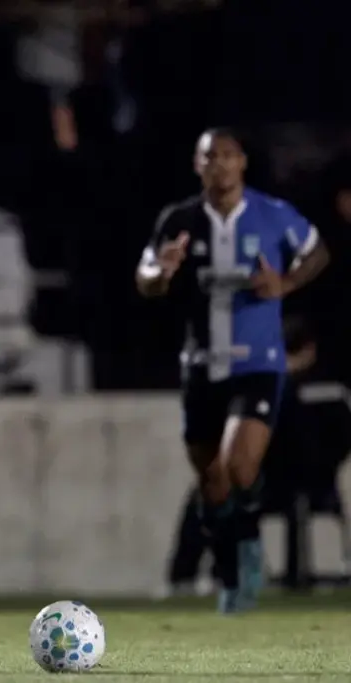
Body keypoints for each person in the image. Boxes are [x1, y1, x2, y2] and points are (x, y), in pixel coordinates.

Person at [135, 128, 329, 613]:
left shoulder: (272, 215)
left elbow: (318, 251)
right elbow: (146, 282)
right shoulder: (179, 221)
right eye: (209, 157)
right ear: (197, 166)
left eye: (227, 156)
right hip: (200, 365)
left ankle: (246, 562)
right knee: (212, 480)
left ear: (242, 162)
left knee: (241, 466)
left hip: (257, 363)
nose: (219, 165)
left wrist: (283, 283)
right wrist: (163, 272)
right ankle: (229, 565)